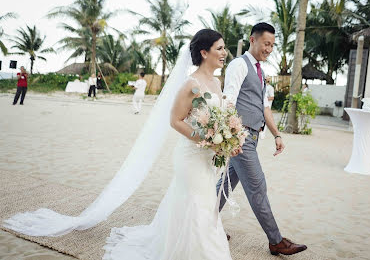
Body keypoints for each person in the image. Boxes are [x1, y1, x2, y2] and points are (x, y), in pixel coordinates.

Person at [4, 29, 236, 260]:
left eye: (224, 48)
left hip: (207, 157)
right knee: (198, 205)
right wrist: (204, 138)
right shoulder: (190, 84)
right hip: (191, 157)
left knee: (201, 204)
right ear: (204, 52)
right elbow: (175, 120)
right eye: (220, 48)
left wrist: (226, 139)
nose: (225, 52)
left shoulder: (216, 82)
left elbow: (218, 118)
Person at [218, 23, 307, 256]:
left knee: (225, 184)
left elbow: (265, 107)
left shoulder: (260, 71)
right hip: (241, 138)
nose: (269, 49)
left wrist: (277, 134)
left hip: (253, 136)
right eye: (266, 43)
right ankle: (276, 240)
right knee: (258, 186)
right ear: (252, 40)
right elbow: (228, 100)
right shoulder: (239, 65)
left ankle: (204, 225)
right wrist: (232, 137)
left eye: (272, 45)